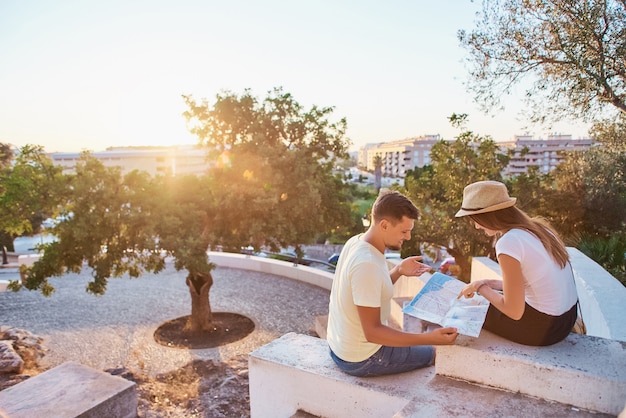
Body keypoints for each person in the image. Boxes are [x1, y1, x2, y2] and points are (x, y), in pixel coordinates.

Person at [326, 190, 458, 377]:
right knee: (438, 353)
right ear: (385, 225)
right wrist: (428, 338)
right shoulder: (367, 264)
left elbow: (369, 290)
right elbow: (372, 332)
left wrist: (398, 271)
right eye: (404, 231)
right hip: (361, 358)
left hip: (339, 346)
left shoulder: (356, 242)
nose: (408, 237)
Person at [455, 180, 578, 346]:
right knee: (483, 301)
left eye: (475, 219)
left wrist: (481, 289)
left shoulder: (508, 243)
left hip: (542, 330)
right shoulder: (540, 229)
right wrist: (484, 282)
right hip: (566, 320)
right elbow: (527, 284)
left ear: (487, 216)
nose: (476, 226)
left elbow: (513, 311)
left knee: (466, 309)